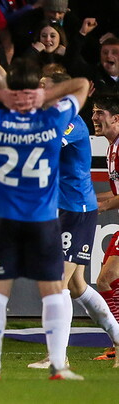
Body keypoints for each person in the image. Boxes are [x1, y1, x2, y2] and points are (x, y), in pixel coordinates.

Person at [0, 49, 119, 368]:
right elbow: (4, 83)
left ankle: (57, 359)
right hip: (67, 209)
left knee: (57, 284)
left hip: (73, 210)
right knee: (77, 286)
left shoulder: (71, 123)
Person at [88, 95, 119, 362]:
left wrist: (99, 207)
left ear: (116, 118)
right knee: (107, 281)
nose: (94, 118)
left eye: (100, 112)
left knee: (104, 280)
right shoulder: (111, 148)